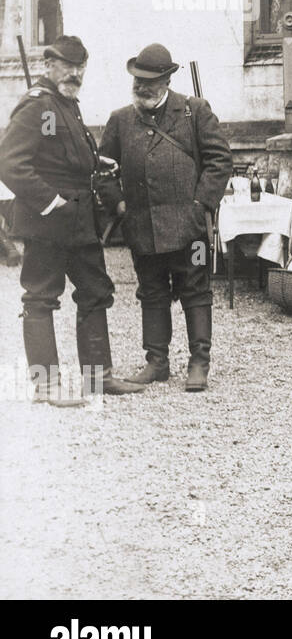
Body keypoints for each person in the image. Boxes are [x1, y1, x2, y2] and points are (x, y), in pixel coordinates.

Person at [0, 35, 144, 405]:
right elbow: (11, 164)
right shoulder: (39, 107)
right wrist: (51, 202)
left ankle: (99, 378)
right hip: (47, 222)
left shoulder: (66, 105)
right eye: (67, 65)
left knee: (96, 293)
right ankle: (46, 387)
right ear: (49, 65)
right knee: (41, 298)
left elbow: (60, 154)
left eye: (80, 66)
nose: (75, 73)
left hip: (80, 222)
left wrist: (97, 162)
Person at [99, 43, 232, 392]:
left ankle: (199, 361)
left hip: (191, 230)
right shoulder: (120, 120)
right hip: (143, 228)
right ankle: (156, 362)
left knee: (197, 291)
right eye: (138, 80)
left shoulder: (194, 111)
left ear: (168, 79)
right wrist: (119, 206)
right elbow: (102, 171)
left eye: (150, 80)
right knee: (152, 292)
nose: (142, 87)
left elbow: (220, 160)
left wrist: (201, 204)